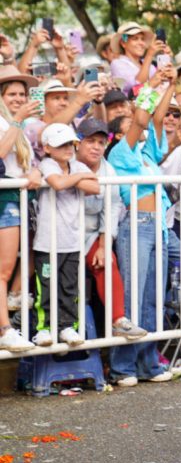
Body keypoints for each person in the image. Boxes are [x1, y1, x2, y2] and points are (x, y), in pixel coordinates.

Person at [106, 75, 177, 386]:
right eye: (133, 128)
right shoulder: (120, 154)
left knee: (153, 299)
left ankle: (148, 364)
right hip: (136, 225)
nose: (142, 130)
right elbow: (142, 117)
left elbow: (156, 119)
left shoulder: (148, 155)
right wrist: (150, 83)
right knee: (134, 298)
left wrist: (170, 85)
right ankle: (123, 367)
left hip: (158, 227)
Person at [75, 118, 147, 340]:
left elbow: (111, 209)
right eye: (90, 141)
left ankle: (118, 320)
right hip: (62, 233)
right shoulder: (66, 163)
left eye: (100, 142)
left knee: (107, 261)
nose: (96, 147)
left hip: (92, 232)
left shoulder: (109, 171)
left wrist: (104, 246)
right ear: (78, 143)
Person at [33, 123, 99, 346]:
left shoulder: (77, 165)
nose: (68, 149)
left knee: (70, 287)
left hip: (72, 241)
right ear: (48, 148)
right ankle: (44, 327)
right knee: (46, 287)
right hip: (47, 242)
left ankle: (67, 326)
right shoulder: (47, 164)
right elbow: (58, 183)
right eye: (61, 145)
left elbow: (95, 187)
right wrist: (78, 179)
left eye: (70, 144)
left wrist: (76, 178)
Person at [0, 72, 42, 352]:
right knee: (2, 270)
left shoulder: (21, 125)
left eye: (22, 94)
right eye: (12, 94)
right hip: (5, 199)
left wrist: (36, 171)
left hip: (18, 198)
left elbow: (25, 164)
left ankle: (13, 301)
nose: (19, 99)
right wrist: (16, 122)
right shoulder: (7, 122)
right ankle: (5, 329)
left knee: (25, 258)